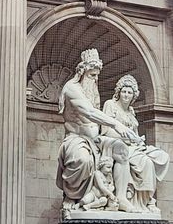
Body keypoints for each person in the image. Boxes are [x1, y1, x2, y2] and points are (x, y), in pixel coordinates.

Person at [56, 48, 138, 215]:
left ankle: (121, 198)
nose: (95, 79)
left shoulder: (92, 89)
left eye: (97, 75)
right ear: (82, 72)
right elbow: (90, 112)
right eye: (92, 75)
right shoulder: (72, 88)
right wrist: (117, 125)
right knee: (83, 160)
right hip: (76, 138)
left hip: (97, 140)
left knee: (121, 149)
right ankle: (73, 195)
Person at [101, 74, 170, 213]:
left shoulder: (131, 111)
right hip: (113, 144)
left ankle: (146, 201)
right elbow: (106, 131)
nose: (126, 95)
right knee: (138, 159)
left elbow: (135, 134)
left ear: (134, 96)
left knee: (156, 158)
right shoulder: (110, 105)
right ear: (119, 92)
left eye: (129, 92)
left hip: (132, 146)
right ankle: (127, 198)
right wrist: (127, 138)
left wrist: (139, 141)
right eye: (124, 91)